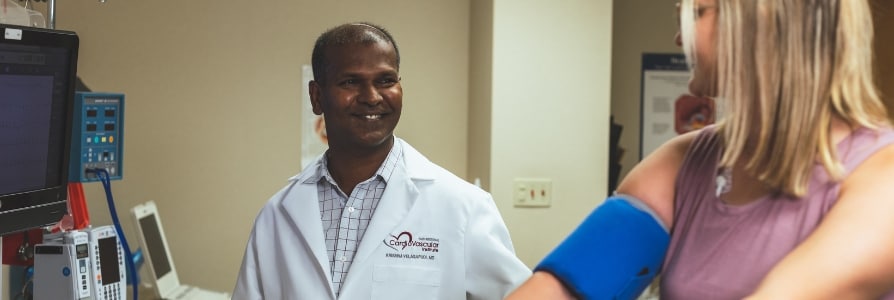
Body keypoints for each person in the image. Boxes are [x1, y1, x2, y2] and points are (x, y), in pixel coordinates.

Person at [507, 0, 894, 298]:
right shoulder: (681, 166)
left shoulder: (882, 178)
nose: (680, 39)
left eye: (695, 15)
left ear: (762, 19)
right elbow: (571, 287)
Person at [233, 22, 530, 299]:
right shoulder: (276, 216)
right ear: (317, 97)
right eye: (350, 81)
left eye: (386, 80)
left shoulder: (463, 207)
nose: (372, 96)